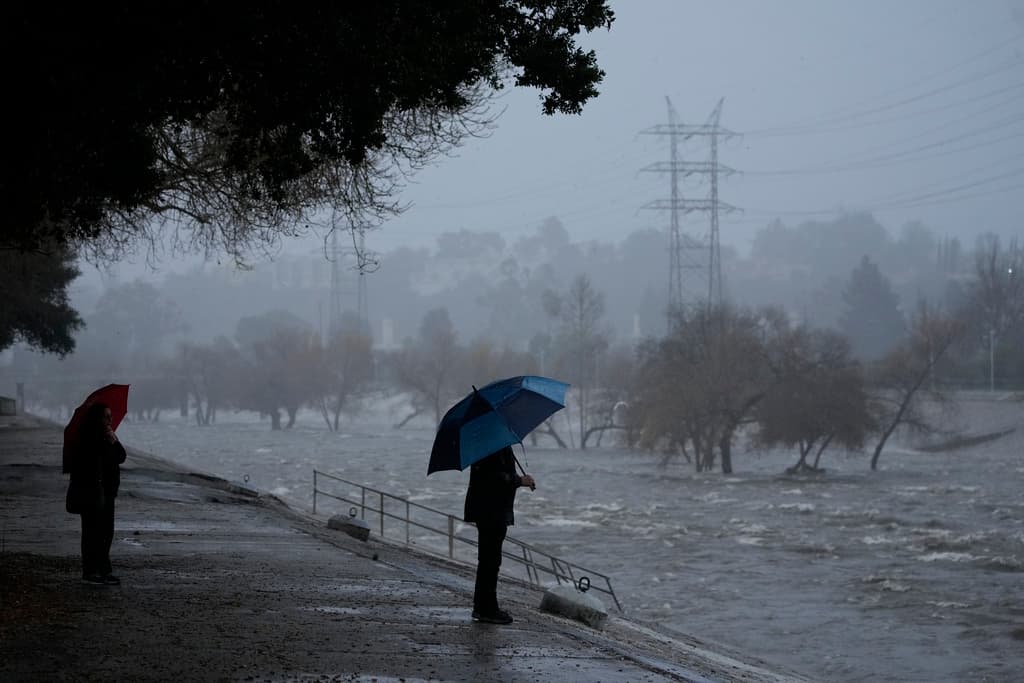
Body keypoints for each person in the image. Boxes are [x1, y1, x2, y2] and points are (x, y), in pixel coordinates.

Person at [463, 445, 535, 624]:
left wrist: (518, 479)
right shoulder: (493, 447)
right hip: (491, 510)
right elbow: (495, 478)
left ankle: (483, 606)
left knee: (489, 560)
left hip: (490, 509)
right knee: (490, 561)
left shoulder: (490, 445)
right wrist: (520, 480)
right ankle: (487, 609)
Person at [70, 402, 127, 586]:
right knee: (92, 533)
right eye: (106, 416)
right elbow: (88, 465)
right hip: (92, 491)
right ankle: (90, 570)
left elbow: (121, 457)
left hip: (108, 492)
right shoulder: (87, 437)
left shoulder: (108, 436)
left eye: (110, 416)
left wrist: (114, 441)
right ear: (97, 418)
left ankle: (104, 569)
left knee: (106, 533)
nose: (110, 420)